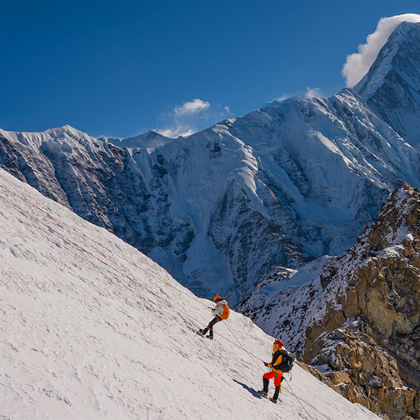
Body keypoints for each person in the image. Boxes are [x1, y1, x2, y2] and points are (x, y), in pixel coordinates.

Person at [258, 339, 285, 404]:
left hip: (276, 372)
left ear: (278, 346)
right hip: (279, 372)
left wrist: (267, 364)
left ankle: (266, 392)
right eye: (274, 345)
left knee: (266, 377)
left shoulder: (278, 353)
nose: (274, 347)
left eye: (275, 345)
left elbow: (274, 363)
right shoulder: (282, 353)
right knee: (276, 384)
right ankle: (274, 398)